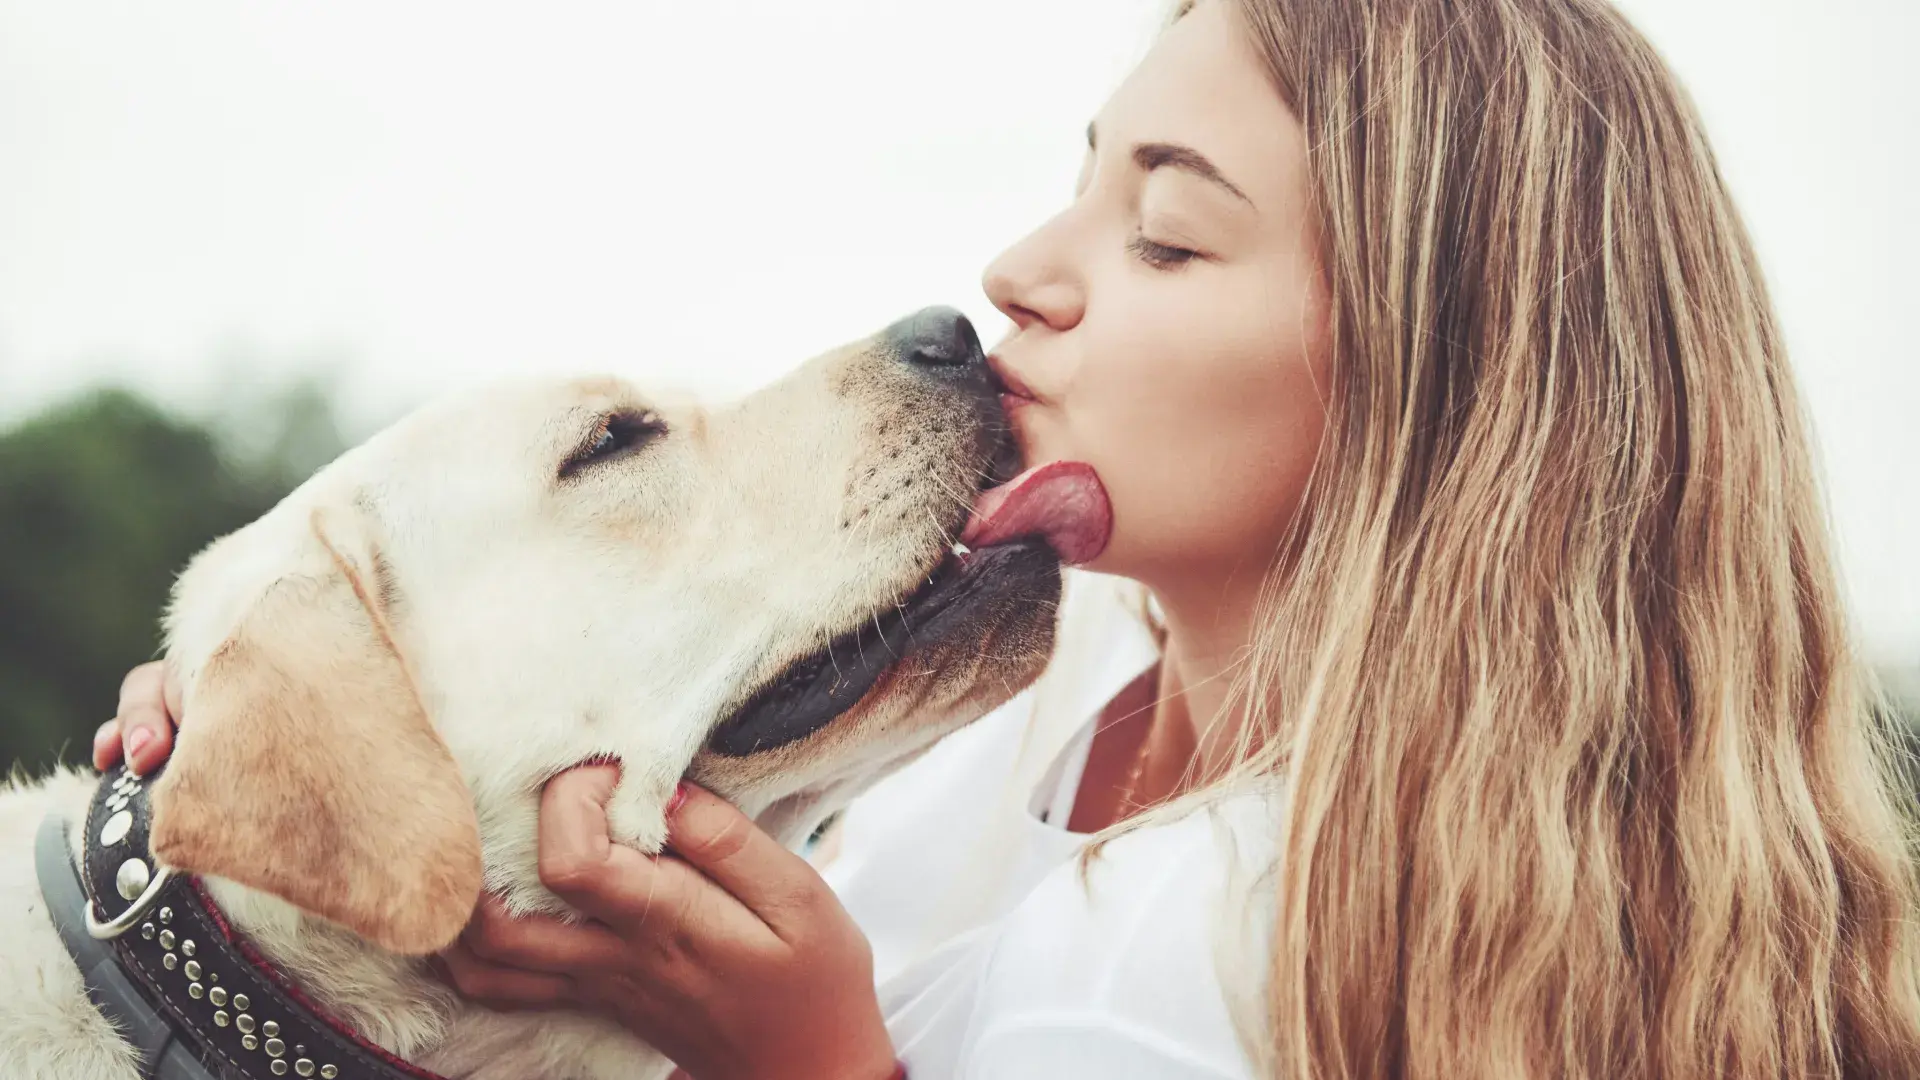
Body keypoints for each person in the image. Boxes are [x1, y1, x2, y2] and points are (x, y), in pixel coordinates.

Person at [95, 0, 1920, 1077]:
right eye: (1077, 183)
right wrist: (284, 723)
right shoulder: (1067, 701)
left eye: (1169, 237)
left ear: (1445, 382)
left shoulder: (1267, 948)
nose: (1017, 277)